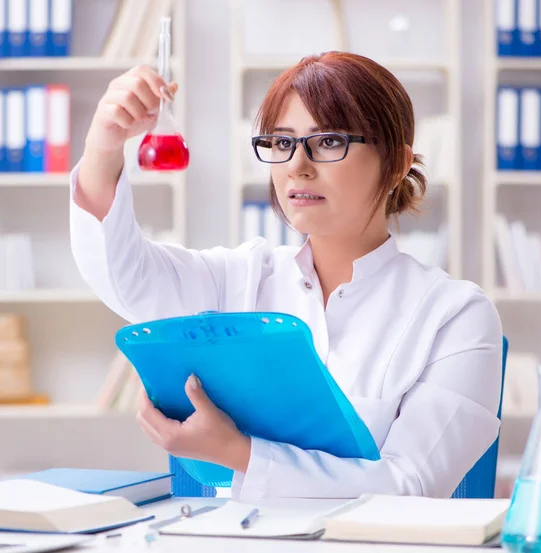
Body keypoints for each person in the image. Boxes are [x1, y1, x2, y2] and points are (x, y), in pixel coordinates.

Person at [70, 51, 503, 501]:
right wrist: (104, 147)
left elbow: (410, 485)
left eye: (329, 141)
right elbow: (124, 276)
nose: (297, 165)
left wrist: (239, 452)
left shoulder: (455, 315)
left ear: (395, 163)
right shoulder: (239, 278)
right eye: (281, 143)